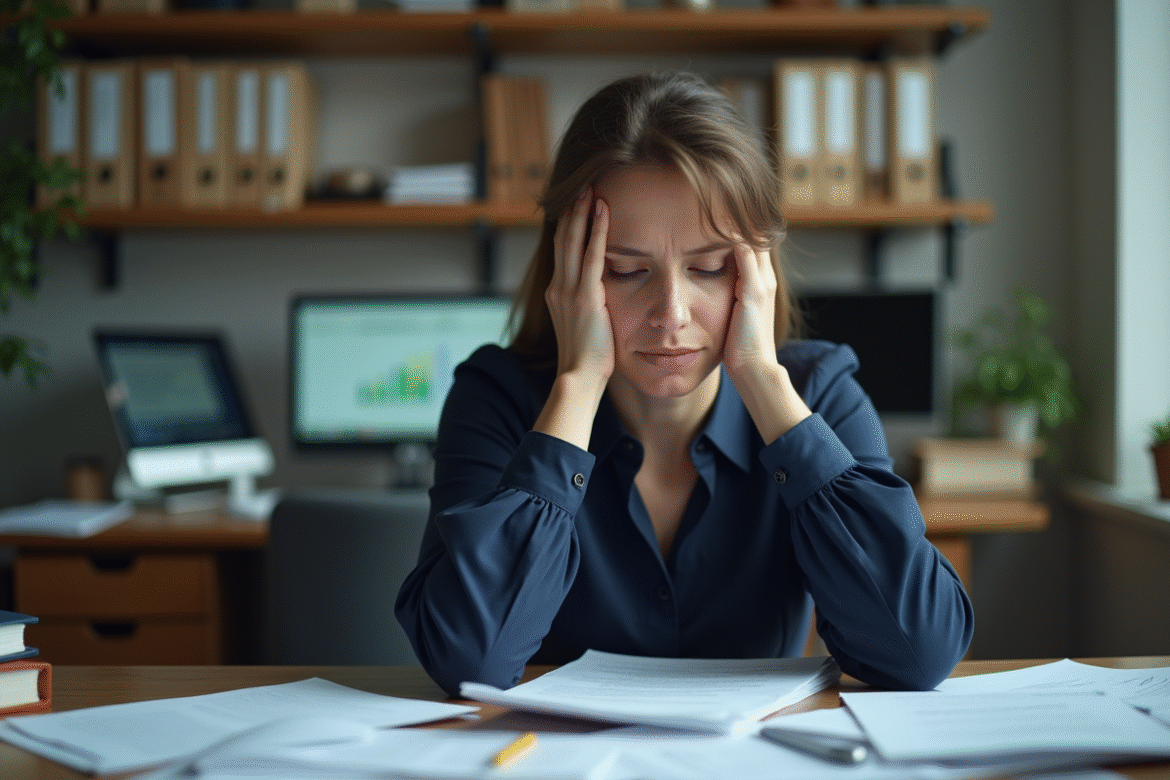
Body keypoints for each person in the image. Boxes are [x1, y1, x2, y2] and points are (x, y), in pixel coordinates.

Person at [395, 71, 973, 697]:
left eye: (708, 267)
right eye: (624, 271)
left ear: (755, 271)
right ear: (569, 275)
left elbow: (918, 652)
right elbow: (470, 663)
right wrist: (579, 384)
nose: (671, 314)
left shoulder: (818, 393)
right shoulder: (498, 397)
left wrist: (762, 381)